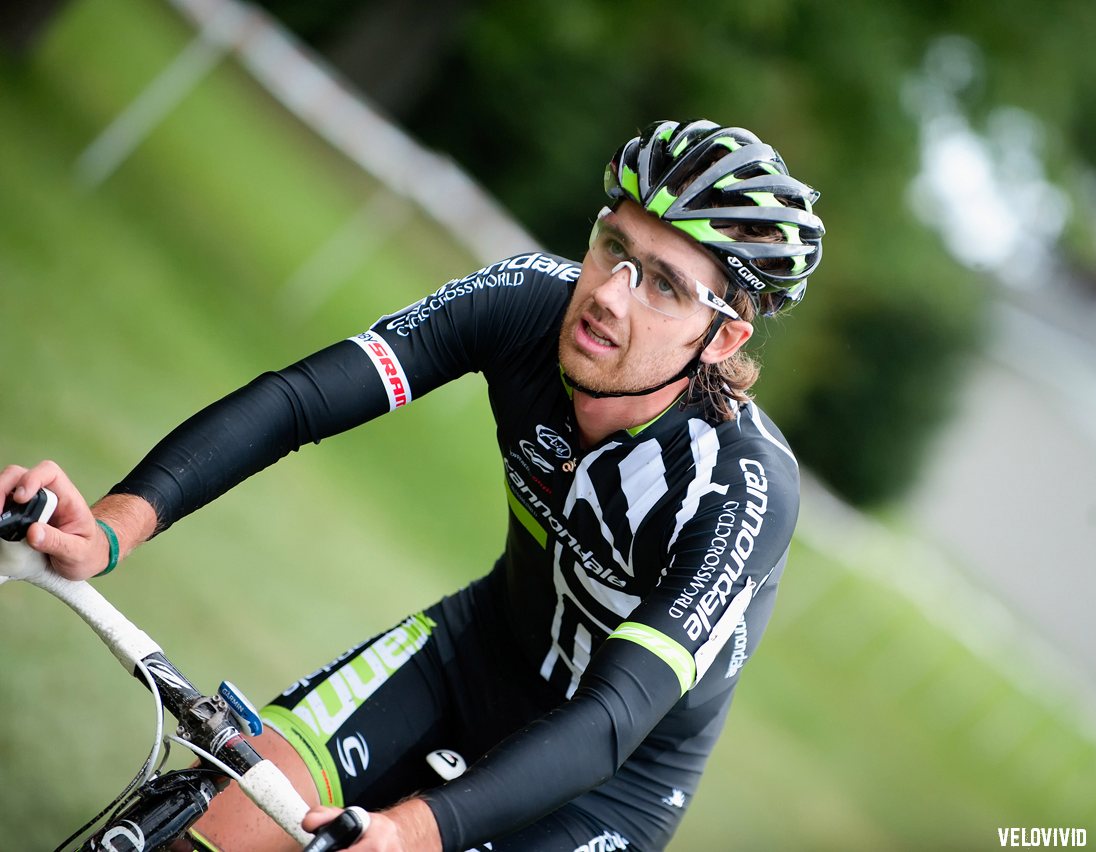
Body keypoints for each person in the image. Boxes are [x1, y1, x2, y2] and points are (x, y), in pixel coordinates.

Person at [1, 118, 824, 851]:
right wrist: (114, 525)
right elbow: (301, 403)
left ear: (724, 338)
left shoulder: (742, 488)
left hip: (606, 787)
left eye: (667, 285)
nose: (609, 296)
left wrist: (417, 827)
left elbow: (611, 720)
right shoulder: (528, 302)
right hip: (468, 656)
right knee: (214, 830)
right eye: (613, 248)